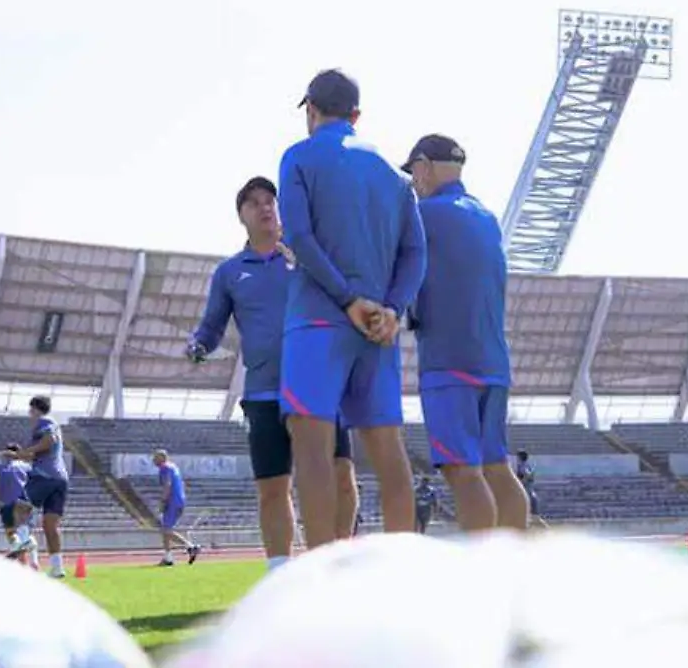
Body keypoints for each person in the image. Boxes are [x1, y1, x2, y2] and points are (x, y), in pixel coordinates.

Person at [277, 69, 427, 547]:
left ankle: (321, 573)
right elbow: (416, 253)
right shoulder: (392, 174)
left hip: (318, 320)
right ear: (357, 116)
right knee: (387, 451)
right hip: (377, 328)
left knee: (313, 449)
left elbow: (298, 235)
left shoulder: (299, 156)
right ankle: (402, 568)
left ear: (312, 112)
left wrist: (346, 299)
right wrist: (392, 308)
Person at [188, 174, 360, 571]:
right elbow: (212, 326)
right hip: (264, 392)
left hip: (318, 387)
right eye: (254, 203)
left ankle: (338, 559)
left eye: (270, 200)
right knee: (272, 487)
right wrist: (198, 345)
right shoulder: (230, 273)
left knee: (341, 476)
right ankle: (279, 573)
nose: (265, 207)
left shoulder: (308, 256)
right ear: (241, 217)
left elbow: (341, 298)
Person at [401, 134, 527, 533]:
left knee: (462, 472)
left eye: (413, 173)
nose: (413, 183)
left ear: (424, 166)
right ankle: (516, 569)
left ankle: (485, 575)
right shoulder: (486, 217)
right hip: (493, 361)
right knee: (498, 468)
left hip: (448, 362)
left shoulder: (424, 215)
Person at [12, 395, 70, 578]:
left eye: (30, 410)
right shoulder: (52, 424)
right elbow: (41, 452)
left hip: (45, 476)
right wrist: (20, 455)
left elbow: (48, 441)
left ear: (35, 408)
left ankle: (25, 541)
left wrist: (26, 451)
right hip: (60, 478)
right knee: (50, 524)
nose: (29, 414)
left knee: (18, 508)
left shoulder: (44, 422)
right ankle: (57, 567)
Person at [0, 448, 36, 563]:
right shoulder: (26, 466)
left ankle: (17, 543)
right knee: (24, 527)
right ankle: (28, 550)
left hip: (8, 502)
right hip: (25, 501)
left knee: (11, 530)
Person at [152, 449, 201, 566]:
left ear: (162, 458)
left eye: (156, 458)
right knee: (165, 529)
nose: (153, 460)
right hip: (179, 500)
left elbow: (167, 485)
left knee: (166, 530)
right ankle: (168, 558)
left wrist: (163, 501)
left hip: (173, 501)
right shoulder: (174, 467)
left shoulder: (165, 468)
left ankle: (190, 547)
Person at [513, 450, 549, 529]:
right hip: (528, 493)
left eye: (517, 457)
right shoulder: (525, 466)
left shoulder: (523, 466)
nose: (516, 459)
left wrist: (521, 481)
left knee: (532, 517)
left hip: (526, 494)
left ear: (520, 458)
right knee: (532, 517)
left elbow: (528, 475)